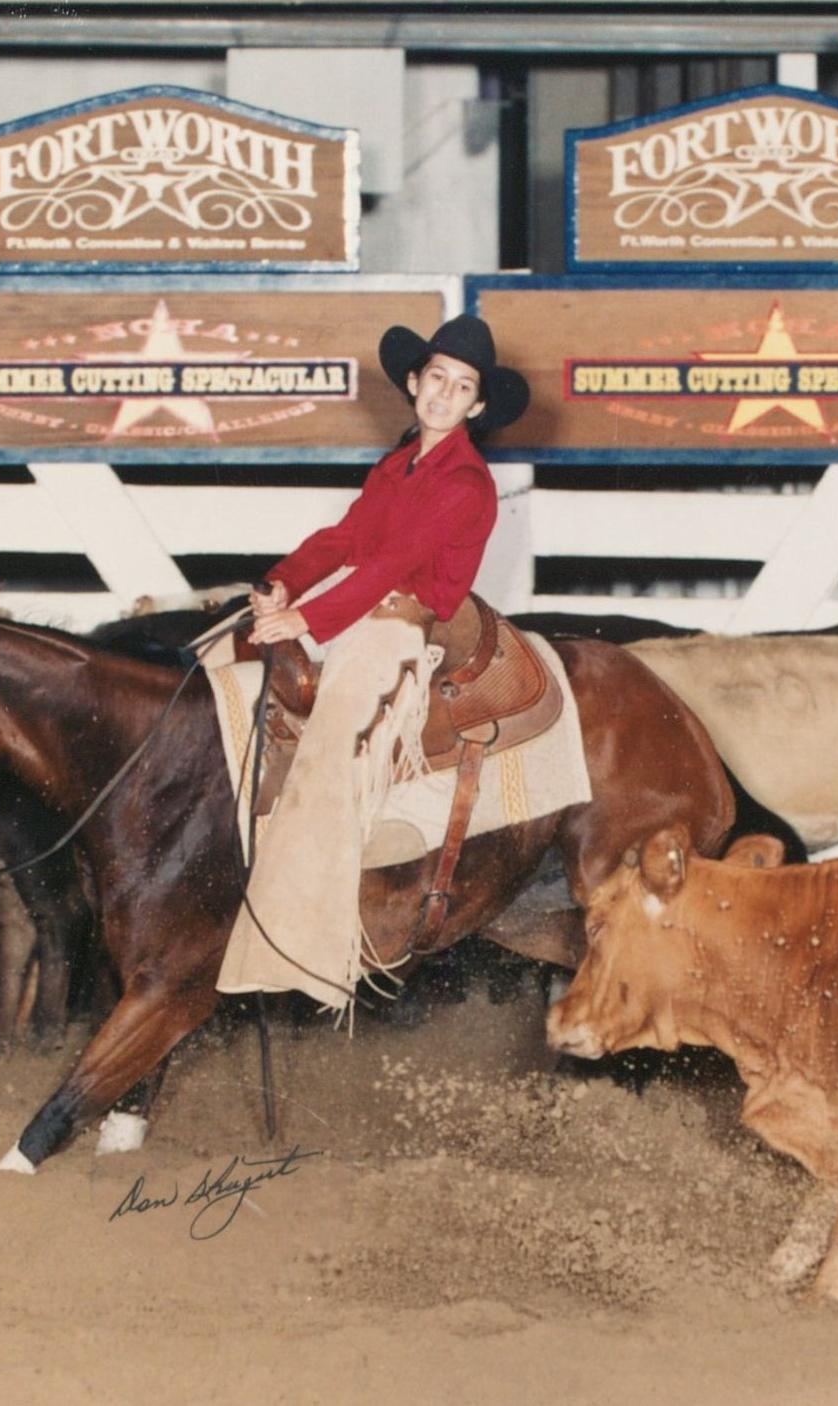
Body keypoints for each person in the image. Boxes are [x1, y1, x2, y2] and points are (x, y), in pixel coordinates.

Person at [216, 314, 531, 1008]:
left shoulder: (466, 482)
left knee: (332, 748)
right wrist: (284, 582)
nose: (445, 394)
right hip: (353, 603)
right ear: (415, 383)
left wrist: (306, 618)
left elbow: (393, 564)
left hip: (400, 627)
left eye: (463, 386)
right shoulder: (398, 465)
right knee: (216, 656)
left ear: (477, 404)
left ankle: (303, 951)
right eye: (437, 378)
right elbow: (345, 538)